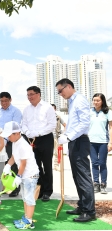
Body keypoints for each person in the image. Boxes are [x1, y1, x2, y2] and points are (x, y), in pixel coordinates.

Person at [56, 78, 96, 222]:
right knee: (77, 175)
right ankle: (82, 205)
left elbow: (85, 123)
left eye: (61, 91)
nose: (60, 94)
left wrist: (69, 137)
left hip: (80, 140)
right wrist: (66, 135)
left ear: (69, 86)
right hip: (73, 140)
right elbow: (74, 123)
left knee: (83, 176)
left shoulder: (79, 100)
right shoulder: (71, 101)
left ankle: (89, 211)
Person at [1, 121, 39, 230]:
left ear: (17, 133)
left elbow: (23, 163)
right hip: (25, 175)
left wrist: (18, 176)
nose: (8, 138)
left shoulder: (23, 145)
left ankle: (29, 222)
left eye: (9, 135)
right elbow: (14, 156)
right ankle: (26, 218)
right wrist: (8, 165)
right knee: (25, 198)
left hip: (30, 175)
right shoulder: (15, 142)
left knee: (29, 199)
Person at [22, 86, 56, 202]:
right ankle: (40, 189)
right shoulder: (27, 109)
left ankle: (48, 191)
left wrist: (38, 133)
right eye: (28, 95)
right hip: (31, 140)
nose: (29, 97)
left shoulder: (47, 107)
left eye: (31, 94)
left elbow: (52, 125)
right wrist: (27, 132)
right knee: (35, 166)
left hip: (45, 138)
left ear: (38, 94)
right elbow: (24, 123)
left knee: (47, 166)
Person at [0, 92, 22, 197]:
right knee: (2, 165)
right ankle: (6, 186)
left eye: (6, 100)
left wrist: (6, 140)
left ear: (10, 100)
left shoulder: (16, 112)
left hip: (12, 142)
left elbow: (15, 128)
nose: (4, 103)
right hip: (1, 143)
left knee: (13, 165)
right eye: (2, 101)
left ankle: (15, 189)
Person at [88, 93, 111, 194]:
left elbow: (111, 128)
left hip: (103, 142)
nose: (95, 102)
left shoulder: (107, 112)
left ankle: (103, 184)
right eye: (94, 100)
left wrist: (110, 142)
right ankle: (96, 183)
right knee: (94, 163)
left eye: (98, 100)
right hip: (91, 142)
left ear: (102, 101)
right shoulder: (89, 112)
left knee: (102, 163)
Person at [51, 104, 66, 171]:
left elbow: (65, 125)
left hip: (56, 137)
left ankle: (56, 166)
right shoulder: (45, 117)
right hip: (48, 137)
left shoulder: (58, 117)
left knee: (57, 152)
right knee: (48, 153)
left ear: (55, 109)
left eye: (53, 109)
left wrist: (62, 133)